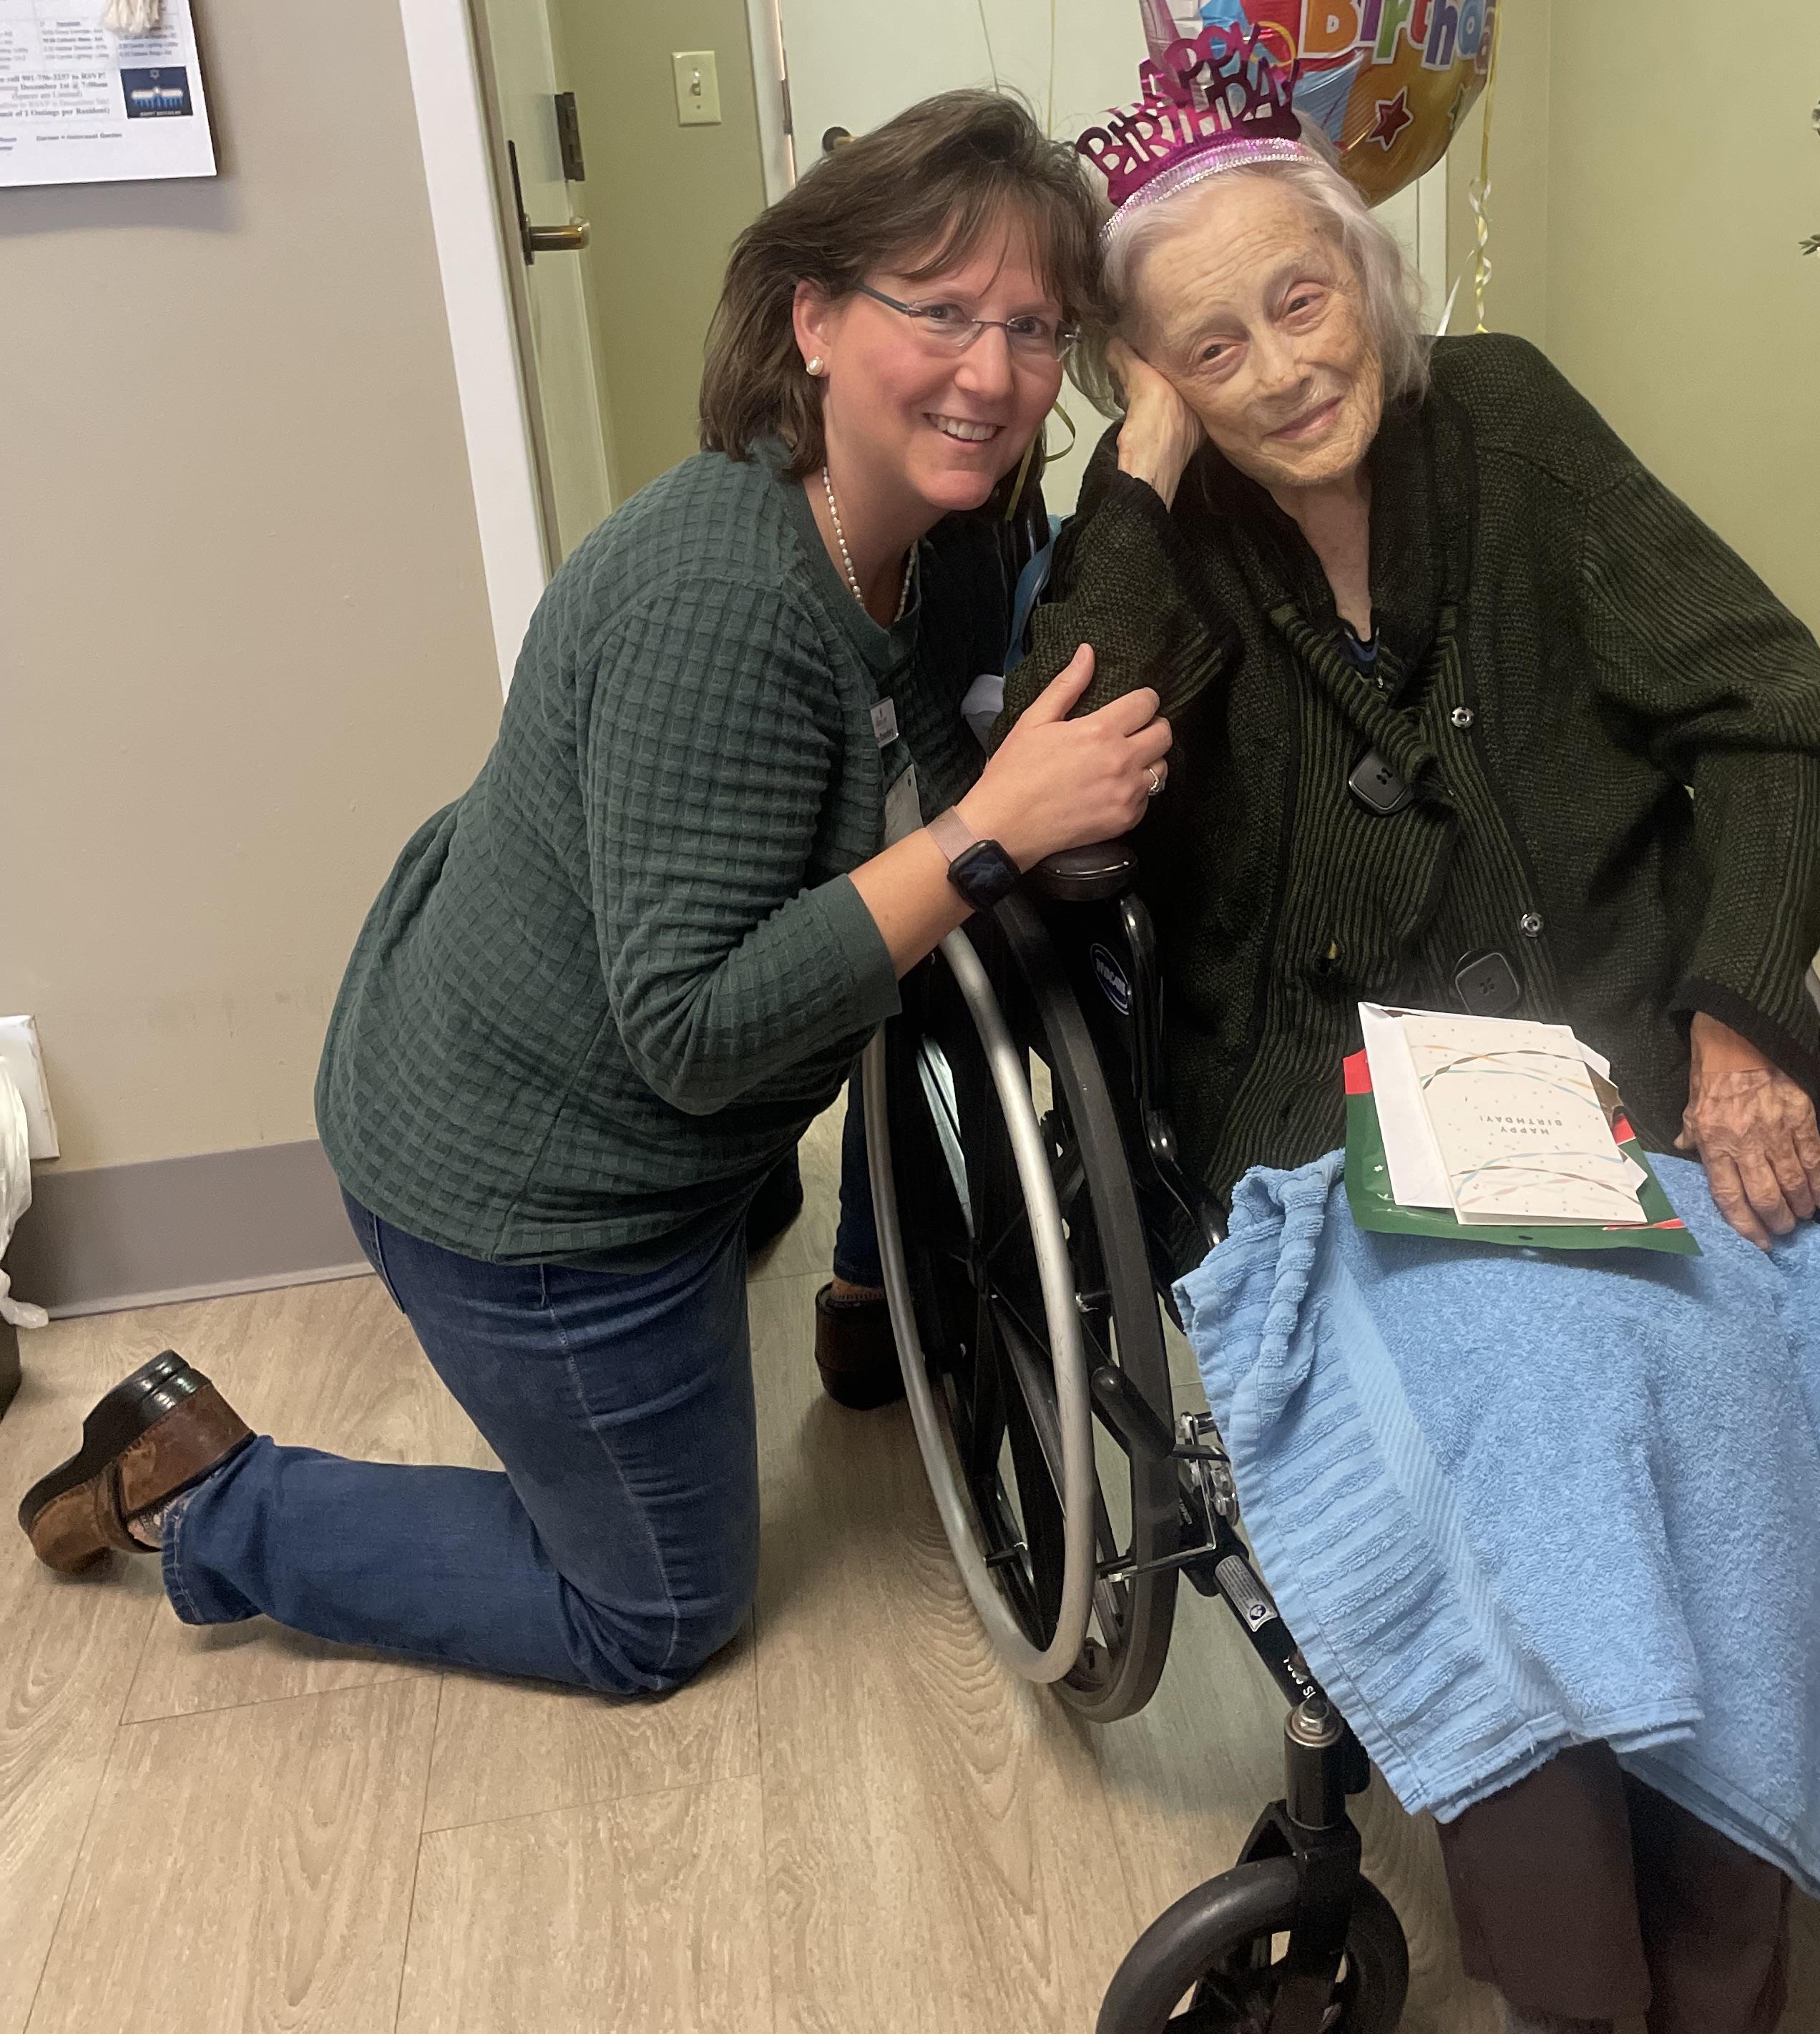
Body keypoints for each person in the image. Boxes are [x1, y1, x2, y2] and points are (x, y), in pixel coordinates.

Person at [1002, 24, 1820, 2034]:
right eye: (1207, 344)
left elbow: (1769, 703)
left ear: (1368, 274)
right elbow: (1067, 770)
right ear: (1157, 379)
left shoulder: (1506, 423)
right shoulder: (1172, 531)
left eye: (1302, 297)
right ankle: (1575, 2022)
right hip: (1329, 1113)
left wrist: (1745, 1016)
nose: (1283, 367)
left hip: (1631, 1055)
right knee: (1512, 1437)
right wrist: (1133, 471)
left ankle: (1723, 2011)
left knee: (1715, 1404)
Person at [17, 91, 1170, 1695]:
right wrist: (986, 834)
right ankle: (202, 1492)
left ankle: (836, 1278)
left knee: (883, 983)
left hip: (606, 1060)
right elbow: (696, 1034)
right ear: (815, 319)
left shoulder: (953, 531)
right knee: (656, 1616)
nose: (993, 373)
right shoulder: (724, 602)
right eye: (943, 311)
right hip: (531, 1183)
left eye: (1036, 328)